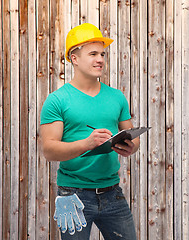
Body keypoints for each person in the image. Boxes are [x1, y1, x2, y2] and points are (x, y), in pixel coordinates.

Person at [40, 23, 139, 240]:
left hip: (112, 193)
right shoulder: (57, 100)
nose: (100, 59)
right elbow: (49, 150)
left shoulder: (116, 97)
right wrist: (88, 143)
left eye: (102, 54)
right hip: (73, 195)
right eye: (93, 53)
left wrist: (131, 146)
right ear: (74, 58)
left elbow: (131, 135)